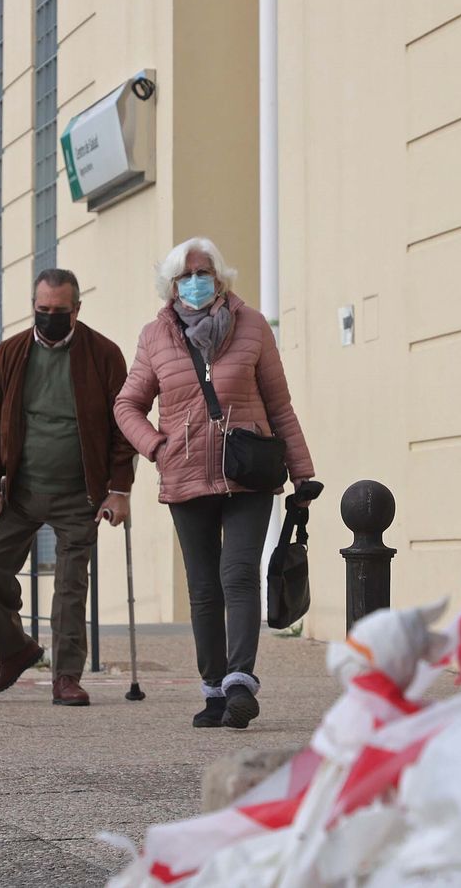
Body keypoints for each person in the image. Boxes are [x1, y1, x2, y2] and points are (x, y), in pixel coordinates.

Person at [114, 237, 315, 729]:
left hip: (248, 472)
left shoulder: (252, 327)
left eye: (203, 272)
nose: (196, 281)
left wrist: (303, 472)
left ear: (220, 277)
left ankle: (240, 682)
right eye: (185, 275)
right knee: (204, 589)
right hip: (184, 474)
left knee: (240, 573)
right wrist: (158, 448)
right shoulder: (154, 336)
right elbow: (126, 406)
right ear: (172, 284)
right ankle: (213, 691)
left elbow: (279, 405)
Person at [0, 268, 134, 706]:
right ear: (33, 307)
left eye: (59, 311)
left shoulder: (103, 355)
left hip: (79, 493)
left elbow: (124, 428)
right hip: (20, 491)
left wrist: (119, 489)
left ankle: (66, 676)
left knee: (69, 585)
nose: (49, 318)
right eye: (41, 310)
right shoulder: (11, 354)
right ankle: (16, 650)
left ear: (76, 310)